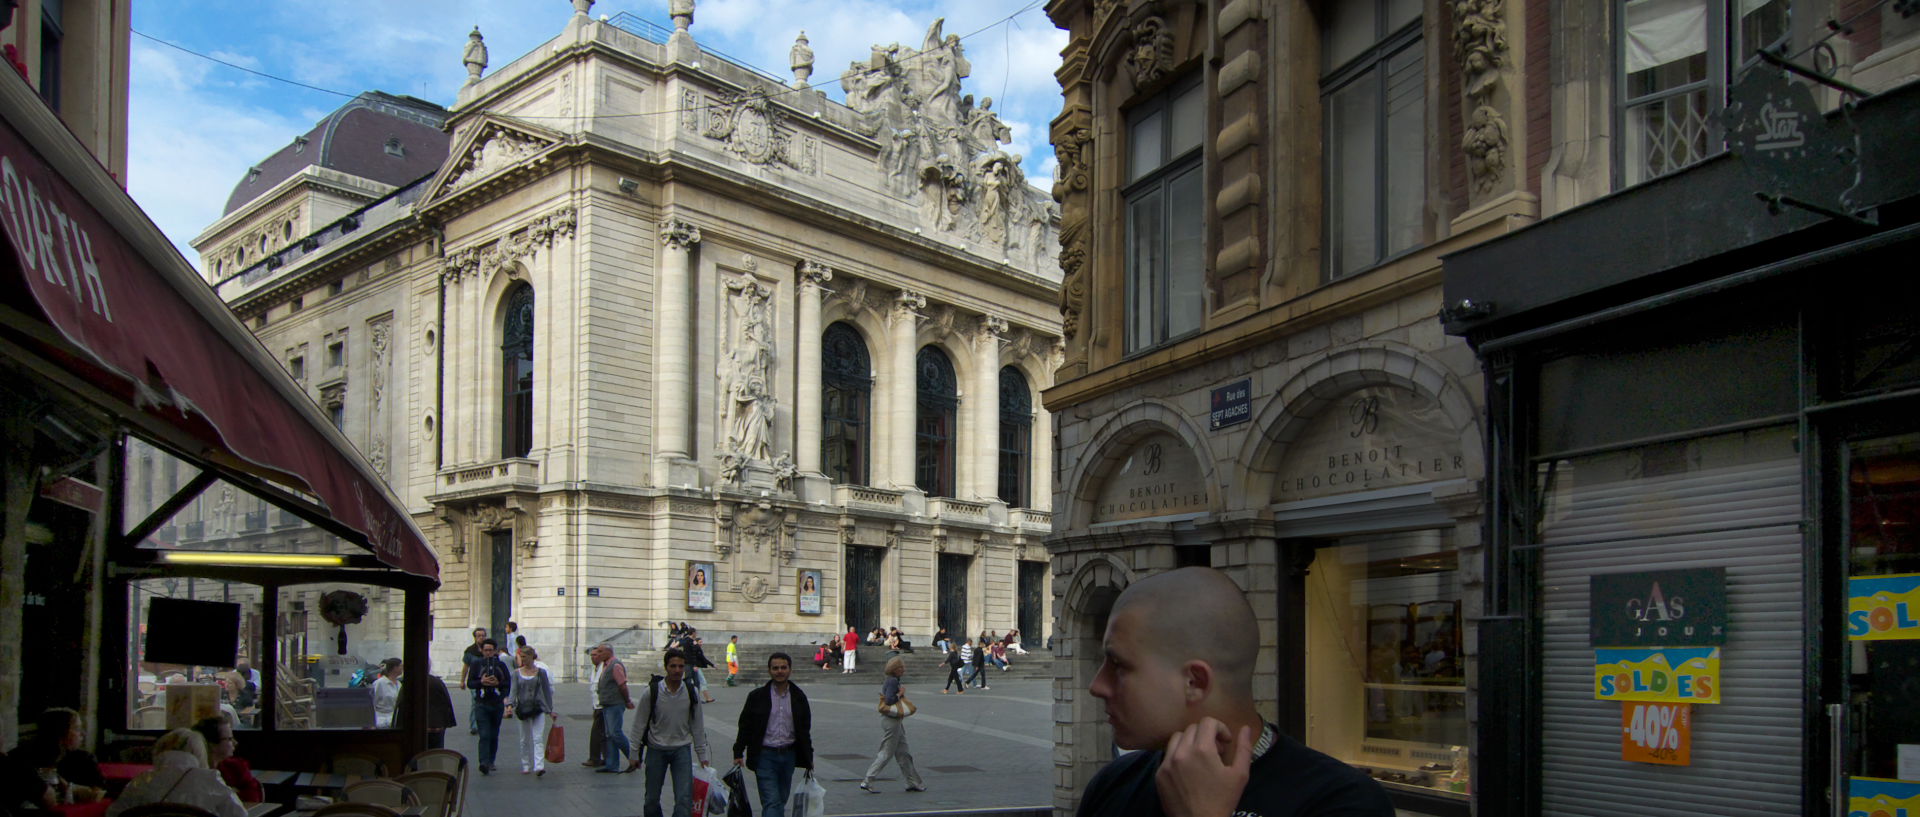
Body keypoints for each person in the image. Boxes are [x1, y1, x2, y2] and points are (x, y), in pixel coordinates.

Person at [1078, 567, 1394, 817]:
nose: (1097, 686)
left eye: (1118, 665)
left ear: (1195, 682)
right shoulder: (1115, 782)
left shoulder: (1342, 802)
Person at [630, 649, 712, 817]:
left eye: (680, 666)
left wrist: (702, 754)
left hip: (681, 749)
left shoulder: (691, 692)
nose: (677, 670)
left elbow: (697, 724)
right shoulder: (652, 692)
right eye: (673, 666)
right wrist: (633, 753)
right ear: (666, 667)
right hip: (656, 749)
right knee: (651, 799)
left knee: (684, 799)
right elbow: (639, 724)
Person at [733, 653, 813, 817]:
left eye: (783, 667)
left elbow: (804, 729)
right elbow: (745, 725)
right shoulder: (757, 697)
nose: (779, 671)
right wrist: (738, 751)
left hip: (788, 755)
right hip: (765, 755)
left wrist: (809, 757)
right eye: (775, 668)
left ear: (790, 670)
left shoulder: (798, 696)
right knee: (772, 800)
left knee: (781, 799)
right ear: (769, 671)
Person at [106, 728, 245, 817]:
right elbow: (239, 815)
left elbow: (114, 813)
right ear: (198, 751)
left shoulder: (141, 781)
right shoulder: (210, 780)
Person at [9, 708, 104, 808]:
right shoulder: (23, 757)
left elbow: (98, 793)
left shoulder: (85, 759)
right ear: (60, 732)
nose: (82, 733)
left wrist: (67, 787)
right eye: (77, 728)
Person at [859, 656, 925, 794]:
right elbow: (889, 700)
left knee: (904, 753)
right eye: (902, 667)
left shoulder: (891, 680)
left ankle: (912, 782)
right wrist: (900, 694)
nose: (904, 670)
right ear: (896, 669)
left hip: (894, 722)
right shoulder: (893, 681)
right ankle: (868, 780)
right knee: (887, 752)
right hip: (892, 722)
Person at [464, 638, 512, 775]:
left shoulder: (501, 665)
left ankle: (491, 760)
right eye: (486, 650)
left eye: (491, 650)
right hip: (481, 704)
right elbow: (470, 683)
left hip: (496, 704)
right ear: (482, 651)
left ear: (495, 651)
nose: (488, 653)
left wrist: (499, 688)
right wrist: (481, 682)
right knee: (484, 734)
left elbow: (507, 684)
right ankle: (483, 762)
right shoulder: (476, 664)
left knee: (494, 733)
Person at [507, 646, 556, 776]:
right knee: (524, 739)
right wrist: (510, 705)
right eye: (521, 657)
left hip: (538, 708)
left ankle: (539, 766)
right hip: (522, 708)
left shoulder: (541, 672)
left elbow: (546, 692)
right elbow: (513, 691)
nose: (522, 659)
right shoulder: (516, 673)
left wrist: (550, 710)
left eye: (524, 657)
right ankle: (526, 764)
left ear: (531, 657)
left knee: (538, 737)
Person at [191, 715, 261, 804]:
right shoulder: (192, 771)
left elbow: (253, 798)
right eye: (230, 739)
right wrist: (232, 792)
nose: (235, 742)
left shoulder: (236, 768)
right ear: (212, 744)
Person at [592, 643, 637, 773]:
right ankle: (612, 764)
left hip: (615, 704)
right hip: (606, 704)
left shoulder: (615, 665)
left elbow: (622, 685)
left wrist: (627, 700)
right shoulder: (605, 665)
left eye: (600, 652)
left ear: (608, 652)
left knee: (614, 732)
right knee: (609, 735)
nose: (598, 654)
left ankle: (634, 758)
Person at [421, 659, 457, 749]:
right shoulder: (436, 682)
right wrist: (446, 722)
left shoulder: (409, 682)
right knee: (436, 754)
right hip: (436, 725)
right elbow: (446, 703)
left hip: (418, 727)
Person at [461, 627, 489, 735]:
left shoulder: (489, 649)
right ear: (475, 637)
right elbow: (465, 667)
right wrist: (462, 681)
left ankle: (485, 723)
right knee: (475, 702)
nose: (481, 637)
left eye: (483, 635)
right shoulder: (470, 651)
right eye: (479, 636)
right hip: (475, 681)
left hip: (488, 681)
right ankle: (474, 725)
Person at [583, 647, 608, 767]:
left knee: (596, 733)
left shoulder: (605, 668)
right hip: (596, 705)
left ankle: (595, 758)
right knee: (603, 733)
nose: (593, 657)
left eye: (595, 655)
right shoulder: (594, 669)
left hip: (602, 705)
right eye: (591, 655)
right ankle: (607, 757)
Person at [371, 657, 403, 728]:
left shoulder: (399, 684)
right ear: (395, 668)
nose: (402, 668)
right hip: (381, 721)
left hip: (394, 721)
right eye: (401, 666)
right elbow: (372, 702)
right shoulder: (380, 683)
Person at [684, 637, 718, 704]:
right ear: (696, 642)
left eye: (702, 642)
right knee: (701, 682)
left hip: (696, 667)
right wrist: (712, 665)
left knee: (698, 682)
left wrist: (712, 665)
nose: (701, 643)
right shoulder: (696, 649)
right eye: (700, 642)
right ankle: (704, 698)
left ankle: (703, 698)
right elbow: (702, 658)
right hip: (695, 667)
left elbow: (703, 658)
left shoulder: (696, 649)